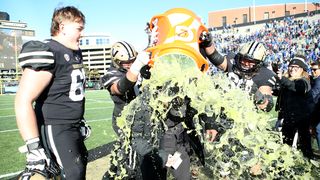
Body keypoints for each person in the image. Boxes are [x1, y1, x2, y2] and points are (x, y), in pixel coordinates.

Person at [15, 6, 90, 180]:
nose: (83, 34)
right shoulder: (48, 50)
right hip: (55, 127)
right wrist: (33, 149)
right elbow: (22, 100)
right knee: (73, 174)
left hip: (72, 126)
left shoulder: (74, 51)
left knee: (78, 171)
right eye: (79, 28)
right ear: (62, 27)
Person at [199, 33, 277, 112]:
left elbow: (267, 106)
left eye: (250, 61)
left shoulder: (264, 74)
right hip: (222, 106)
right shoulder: (233, 61)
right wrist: (208, 44)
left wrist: (256, 94)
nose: (246, 63)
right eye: (244, 59)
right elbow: (215, 57)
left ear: (258, 64)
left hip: (242, 114)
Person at [101, 41, 149, 136]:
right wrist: (136, 66)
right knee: (139, 149)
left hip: (143, 116)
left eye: (132, 61)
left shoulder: (136, 63)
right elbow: (120, 88)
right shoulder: (110, 74)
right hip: (125, 120)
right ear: (117, 62)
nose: (130, 64)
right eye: (126, 62)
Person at [274, 55, 313, 158]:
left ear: (302, 69)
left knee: (304, 148)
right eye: (291, 66)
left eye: (296, 67)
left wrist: (282, 79)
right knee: (286, 146)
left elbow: (296, 88)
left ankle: (308, 168)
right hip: (288, 119)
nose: (292, 69)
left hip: (300, 121)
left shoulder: (303, 81)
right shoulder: (289, 81)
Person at [309, 61, 320, 155]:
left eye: (315, 69)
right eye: (311, 70)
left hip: (317, 109)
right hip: (315, 109)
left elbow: (313, 95)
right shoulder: (315, 79)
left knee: (317, 129)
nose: (313, 71)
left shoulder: (318, 81)